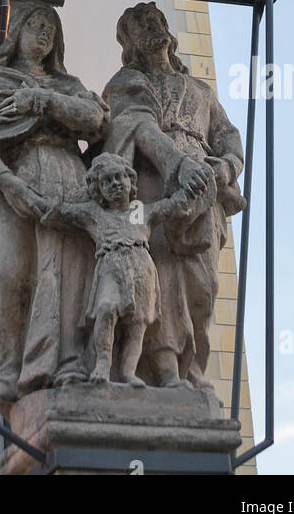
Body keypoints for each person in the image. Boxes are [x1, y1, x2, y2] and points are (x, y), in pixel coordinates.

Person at [0, 2, 108, 405]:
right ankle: (10, 368)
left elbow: (93, 118)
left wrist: (41, 101)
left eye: (52, 29)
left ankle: (69, 362)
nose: (44, 33)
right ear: (17, 29)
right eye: (37, 24)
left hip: (69, 179)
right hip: (16, 178)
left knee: (69, 275)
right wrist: (5, 182)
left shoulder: (66, 83)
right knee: (9, 271)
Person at [100, 2, 245, 389]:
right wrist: (177, 163)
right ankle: (165, 369)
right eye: (139, 25)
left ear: (168, 32)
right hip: (153, 180)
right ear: (128, 42)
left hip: (205, 191)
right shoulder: (124, 82)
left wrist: (225, 167)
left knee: (203, 285)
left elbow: (229, 139)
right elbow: (134, 124)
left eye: (156, 20)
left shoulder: (201, 90)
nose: (151, 27)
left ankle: (193, 369)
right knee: (161, 277)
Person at [40, 152, 191, 386]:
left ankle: (128, 371)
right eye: (106, 181)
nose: (115, 184)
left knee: (138, 324)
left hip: (142, 267)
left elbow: (171, 206)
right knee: (106, 308)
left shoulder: (142, 211)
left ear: (130, 180)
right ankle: (102, 363)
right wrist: (46, 203)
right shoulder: (94, 214)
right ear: (99, 190)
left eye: (119, 177)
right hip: (110, 265)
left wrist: (189, 192)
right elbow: (61, 212)